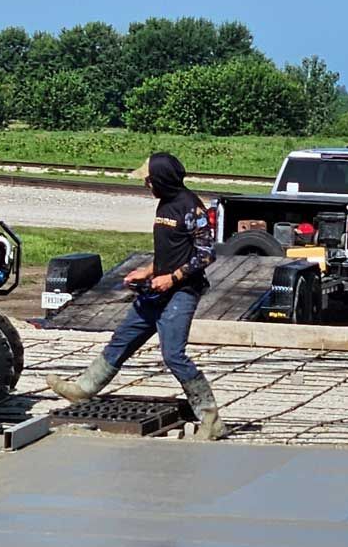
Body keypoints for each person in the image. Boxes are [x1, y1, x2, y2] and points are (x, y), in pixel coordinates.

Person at [46, 151, 227, 438]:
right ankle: (84, 389)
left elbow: (205, 255)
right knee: (124, 338)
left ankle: (210, 419)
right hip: (156, 289)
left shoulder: (191, 208)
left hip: (182, 292)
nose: (146, 184)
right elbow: (171, 251)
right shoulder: (164, 206)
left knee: (173, 354)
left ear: (162, 179)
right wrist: (148, 270)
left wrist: (172, 278)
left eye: (149, 179)